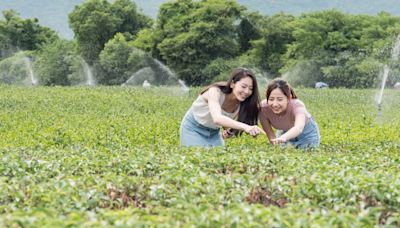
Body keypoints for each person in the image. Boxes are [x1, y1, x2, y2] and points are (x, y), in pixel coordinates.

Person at [180, 68, 264, 147]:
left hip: (214, 133)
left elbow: (224, 118)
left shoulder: (244, 102)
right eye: (243, 86)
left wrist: (228, 129)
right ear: (232, 84)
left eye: (250, 88)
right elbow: (217, 118)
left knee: (220, 159)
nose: (247, 91)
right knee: (196, 157)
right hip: (193, 128)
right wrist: (246, 127)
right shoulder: (215, 91)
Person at [259, 78, 320, 149]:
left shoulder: (297, 106)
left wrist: (283, 138)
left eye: (280, 99)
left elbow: (298, 128)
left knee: (308, 153)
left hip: (306, 133)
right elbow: (269, 133)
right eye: (271, 99)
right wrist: (275, 144)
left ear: (289, 98)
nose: (275, 104)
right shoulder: (263, 108)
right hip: (284, 132)